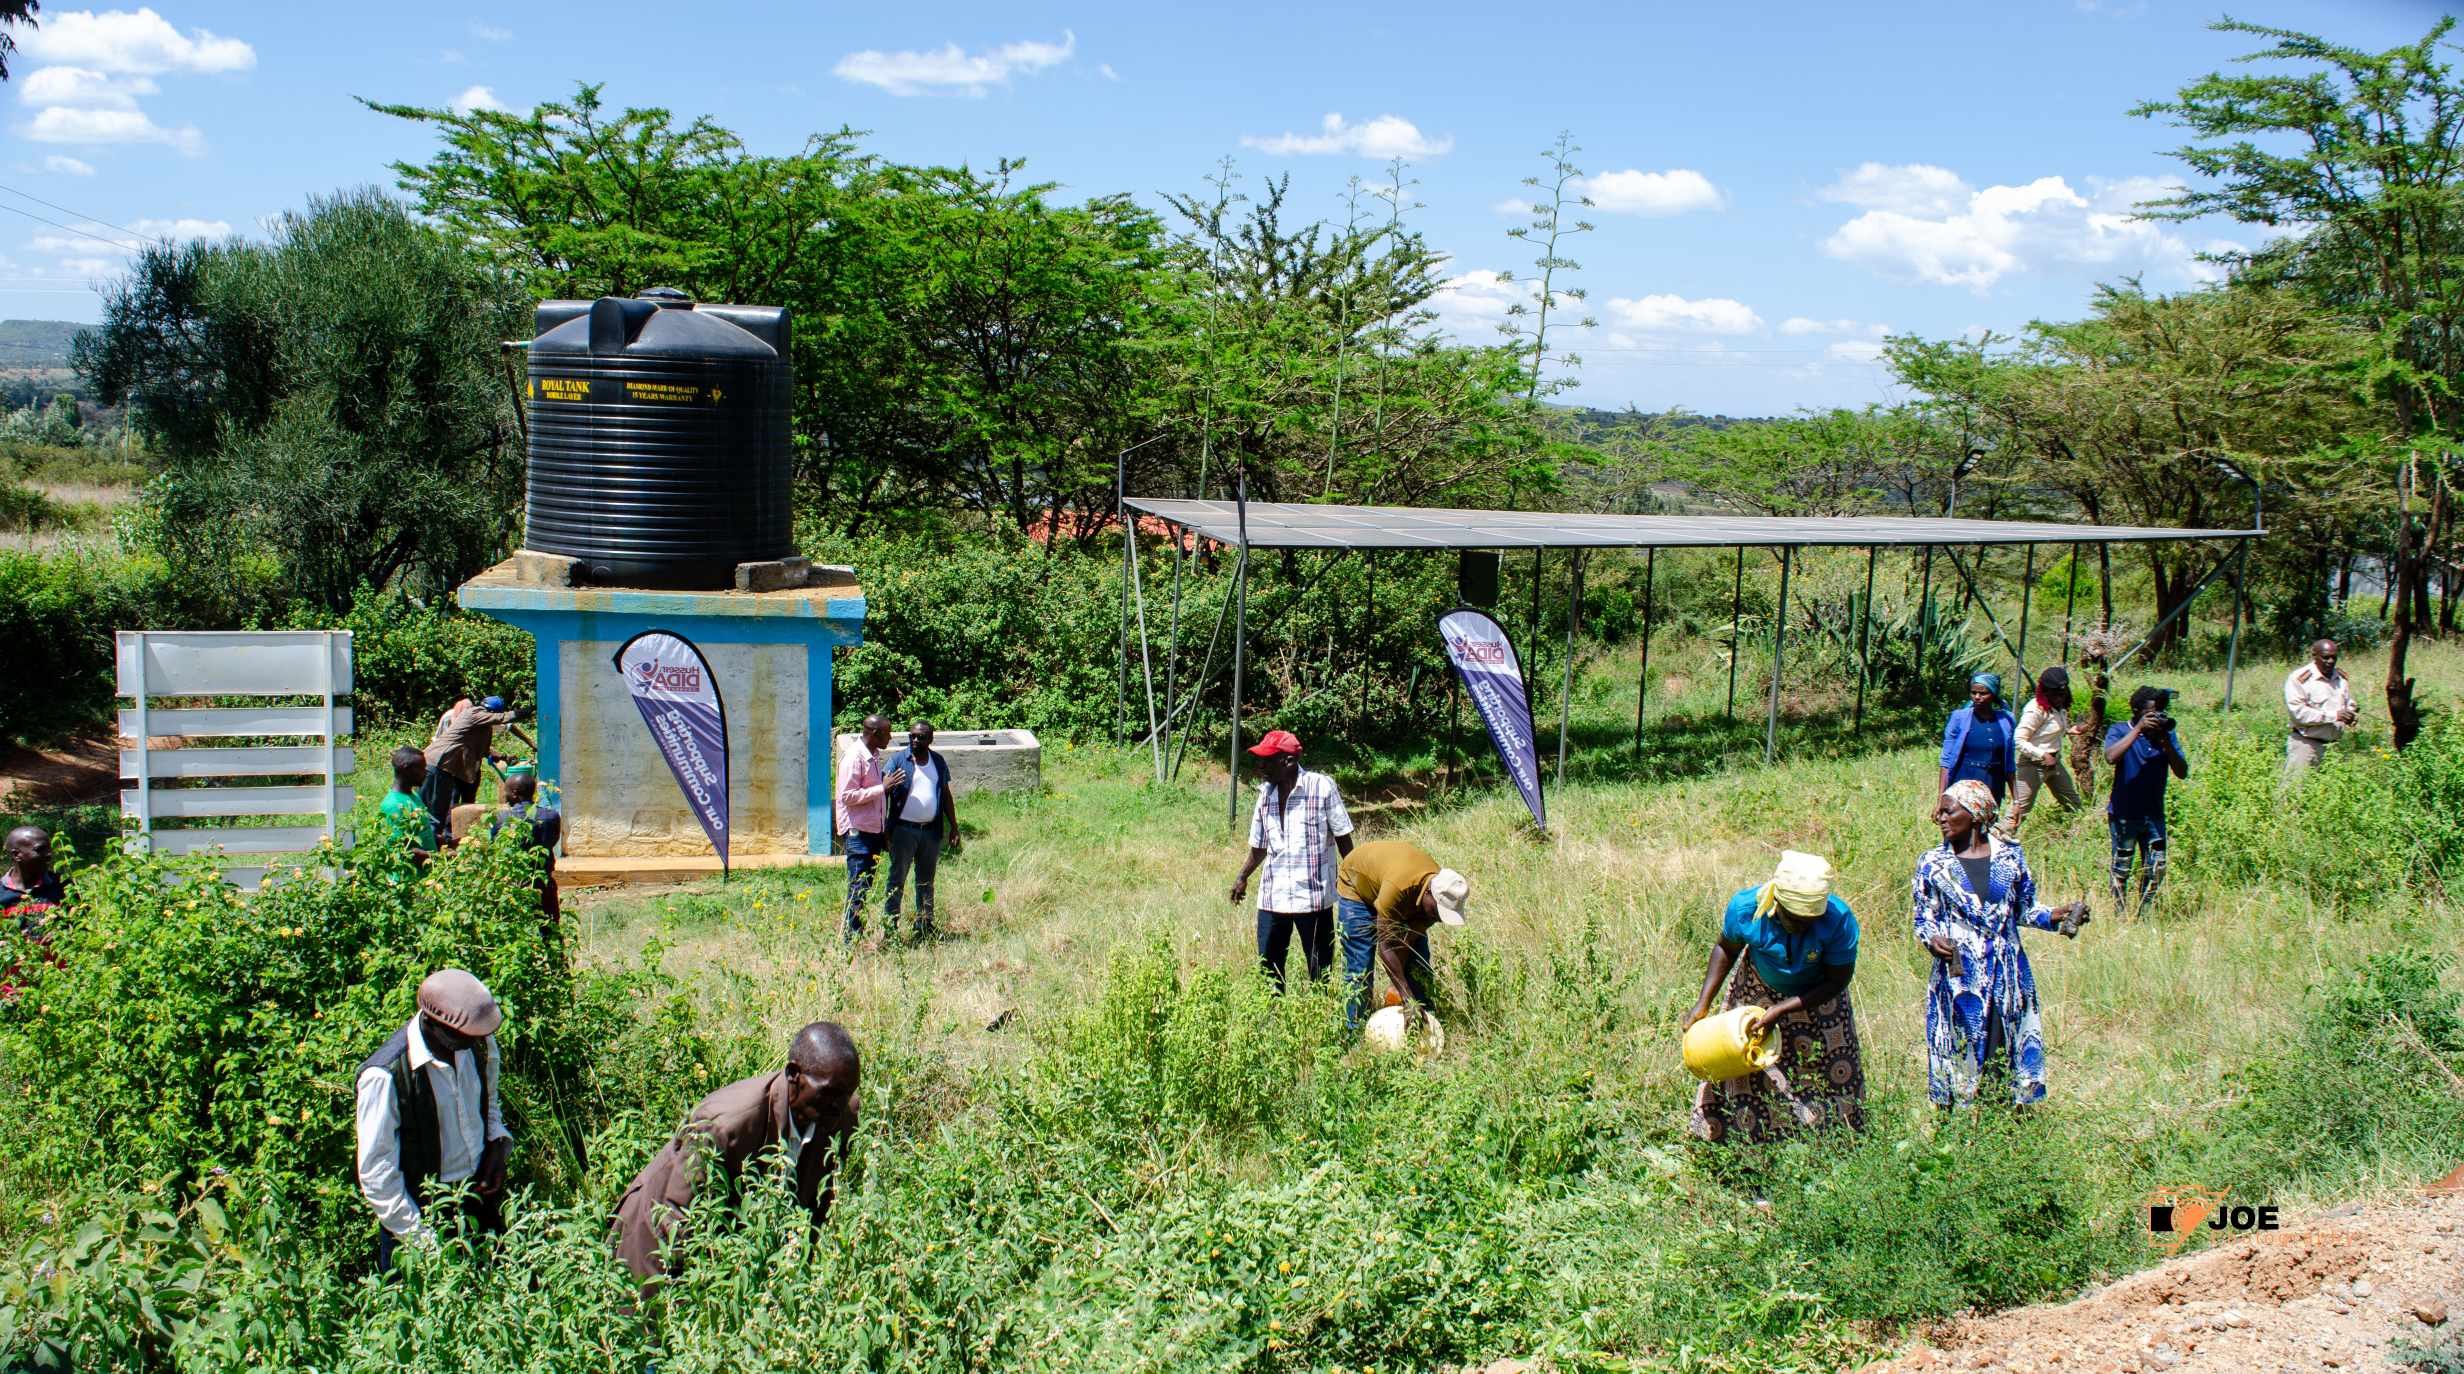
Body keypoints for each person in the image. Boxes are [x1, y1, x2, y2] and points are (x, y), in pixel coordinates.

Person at [611, 1022, 861, 1283]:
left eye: (847, 1094)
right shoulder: (725, 1125)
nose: (838, 1105)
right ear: (793, 1075)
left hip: (733, 1250)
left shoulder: (840, 1114)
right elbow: (675, 1217)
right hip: (654, 1236)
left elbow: (816, 1205)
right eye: (829, 1093)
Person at [1914, 781, 2090, 1111]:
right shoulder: (1932, 864)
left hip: (2006, 973)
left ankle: (2006, 1122)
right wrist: (1932, 939)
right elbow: (1924, 918)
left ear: (1975, 814)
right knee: (1961, 1051)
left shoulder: (2011, 858)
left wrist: (2056, 915)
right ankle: (1959, 1125)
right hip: (1960, 978)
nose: (1941, 817)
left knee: (2004, 1048)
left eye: (1949, 810)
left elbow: (2024, 910)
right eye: (1941, 810)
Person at [1683, 850, 1864, 1143]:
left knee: (1829, 1073)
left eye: (1810, 920)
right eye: (1793, 918)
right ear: (1775, 901)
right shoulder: (1746, 908)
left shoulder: (1838, 920)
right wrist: (1701, 1005)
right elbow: (1725, 949)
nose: (1802, 926)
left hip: (1818, 998)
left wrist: (1781, 1010)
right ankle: (1745, 1150)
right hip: (1757, 991)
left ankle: (1834, 1148)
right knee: (1744, 1065)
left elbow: (1837, 980)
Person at [355, 969, 512, 1272]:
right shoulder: (384, 1076)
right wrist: (427, 1246)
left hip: (476, 1201)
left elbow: (490, 1100)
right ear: (433, 1024)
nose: (475, 1045)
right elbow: (377, 1177)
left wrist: (496, 1145)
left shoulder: (476, 1041)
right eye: (463, 1040)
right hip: (415, 1219)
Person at [1229, 729, 1357, 991]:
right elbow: (1259, 846)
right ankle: (1272, 1020)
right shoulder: (1265, 794)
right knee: (1269, 968)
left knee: (1320, 969)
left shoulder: (1321, 787)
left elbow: (1344, 838)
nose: (1260, 766)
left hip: (1313, 898)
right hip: (1273, 897)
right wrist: (1242, 877)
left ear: (1288, 761)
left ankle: (1319, 1017)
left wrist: (1357, 881)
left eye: (1267, 760)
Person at [1334, 839, 1468, 1031]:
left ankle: (1425, 1025)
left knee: (1418, 962)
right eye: (1438, 911)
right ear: (1429, 893)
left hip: (1390, 884)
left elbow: (1407, 941)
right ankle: (1354, 1032)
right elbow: (1386, 946)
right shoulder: (1400, 888)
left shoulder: (1439, 893)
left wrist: (1398, 984)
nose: (1438, 918)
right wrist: (1406, 996)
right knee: (1360, 965)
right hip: (1357, 884)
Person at [2104, 686, 2190, 918]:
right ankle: (2120, 915)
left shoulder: (2166, 737)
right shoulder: (2120, 730)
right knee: (2121, 867)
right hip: (2124, 814)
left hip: (2153, 815)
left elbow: (2182, 771)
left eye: (2161, 712)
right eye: (2152, 713)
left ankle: (2144, 914)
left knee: (2156, 868)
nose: (2157, 717)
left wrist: (2166, 742)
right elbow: (2111, 756)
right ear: (2137, 711)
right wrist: (2139, 730)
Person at [881, 720, 961, 942]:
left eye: (921, 737)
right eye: (912, 736)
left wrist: (954, 826)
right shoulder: (898, 760)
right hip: (903, 832)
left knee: (926, 881)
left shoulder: (938, 761)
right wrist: (884, 829)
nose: (915, 740)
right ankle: (889, 929)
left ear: (930, 739)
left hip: (931, 832)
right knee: (897, 879)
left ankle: (924, 925)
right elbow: (883, 792)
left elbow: (945, 795)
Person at [421, 696, 525, 840]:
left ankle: (438, 842)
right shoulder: (474, 713)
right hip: (439, 764)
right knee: (435, 811)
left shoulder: (482, 727)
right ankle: (433, 848)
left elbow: (484, 750)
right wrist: (526, 711)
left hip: (443, 766)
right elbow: (504, 718)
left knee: (433, 809)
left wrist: (503, 756)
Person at [1999, 667, 2084, 838]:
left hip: (2054, 763)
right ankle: (1999, 840)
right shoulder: (2035, 710)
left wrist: (2071, 730)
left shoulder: (2058, 707)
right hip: (2033, 765)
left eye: (2063, 694)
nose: (2060, 698)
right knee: (2019, 811)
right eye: (2055, 694)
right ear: (2045, 692)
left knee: (2073, 804)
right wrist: (2042, 755)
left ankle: (2070, 836)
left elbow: (2049, 731)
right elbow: (2019, 739)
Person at [835, 715, 892, 945]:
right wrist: (883, 788)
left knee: (864, 887)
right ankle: (849, 943)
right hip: (859, 834)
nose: (890, 736)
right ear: (875, 733)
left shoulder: (872, 757)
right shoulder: (854, 758)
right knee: (858, 890)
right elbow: (847, 796)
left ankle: (853, 938)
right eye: (887, 732)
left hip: (872, 832)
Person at [488, 765, 564, 923]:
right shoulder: (552, 816)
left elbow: (496, 848)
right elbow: (553, 841)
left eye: (506, 792)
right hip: (544, 882)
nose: (505, 796)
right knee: (549, 929)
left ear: (515, 793)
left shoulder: (503, 819)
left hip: (514, 884)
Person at [1938, 672, 2017, 804]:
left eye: (1983, 693)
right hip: (1964, 783)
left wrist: (2017, 801)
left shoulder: (2006, 720)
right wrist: (1941, 798)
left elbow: (2009, 763)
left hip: (1993, 783)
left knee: (1987, 823)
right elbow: (1946, 761)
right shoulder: (1959, 718)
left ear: (1993, 694)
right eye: (1973, 693)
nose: (1977, 697)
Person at [2284, 638, 2358, 773]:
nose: (2330, 661)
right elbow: (2298, 714)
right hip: (2306, 746)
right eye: (2325, 657)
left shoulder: (2341, 678)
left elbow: (2349, 703)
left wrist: (2351, 714)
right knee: (2294, 791)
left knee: (2329, 792)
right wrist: (2334, 716)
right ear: (2314, 656)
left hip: (2334, 746)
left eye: (2334, 657)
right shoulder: (2300, 679)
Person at [378, 746, 438, 862]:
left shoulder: (413, 796)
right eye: (421, 768)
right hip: (408, 878)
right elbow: (403, 849)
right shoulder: (394, 805)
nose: (426, 772)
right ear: (406, 769)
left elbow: (422, 833)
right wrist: (439, 858)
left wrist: (448, 842)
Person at [2, 824, 64, 924]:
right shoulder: (2, 893)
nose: (49, 855)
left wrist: (61, 927)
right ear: (16, 855)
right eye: (40, 850)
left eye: (49, 849)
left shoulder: (63, 886)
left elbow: (82, 925)